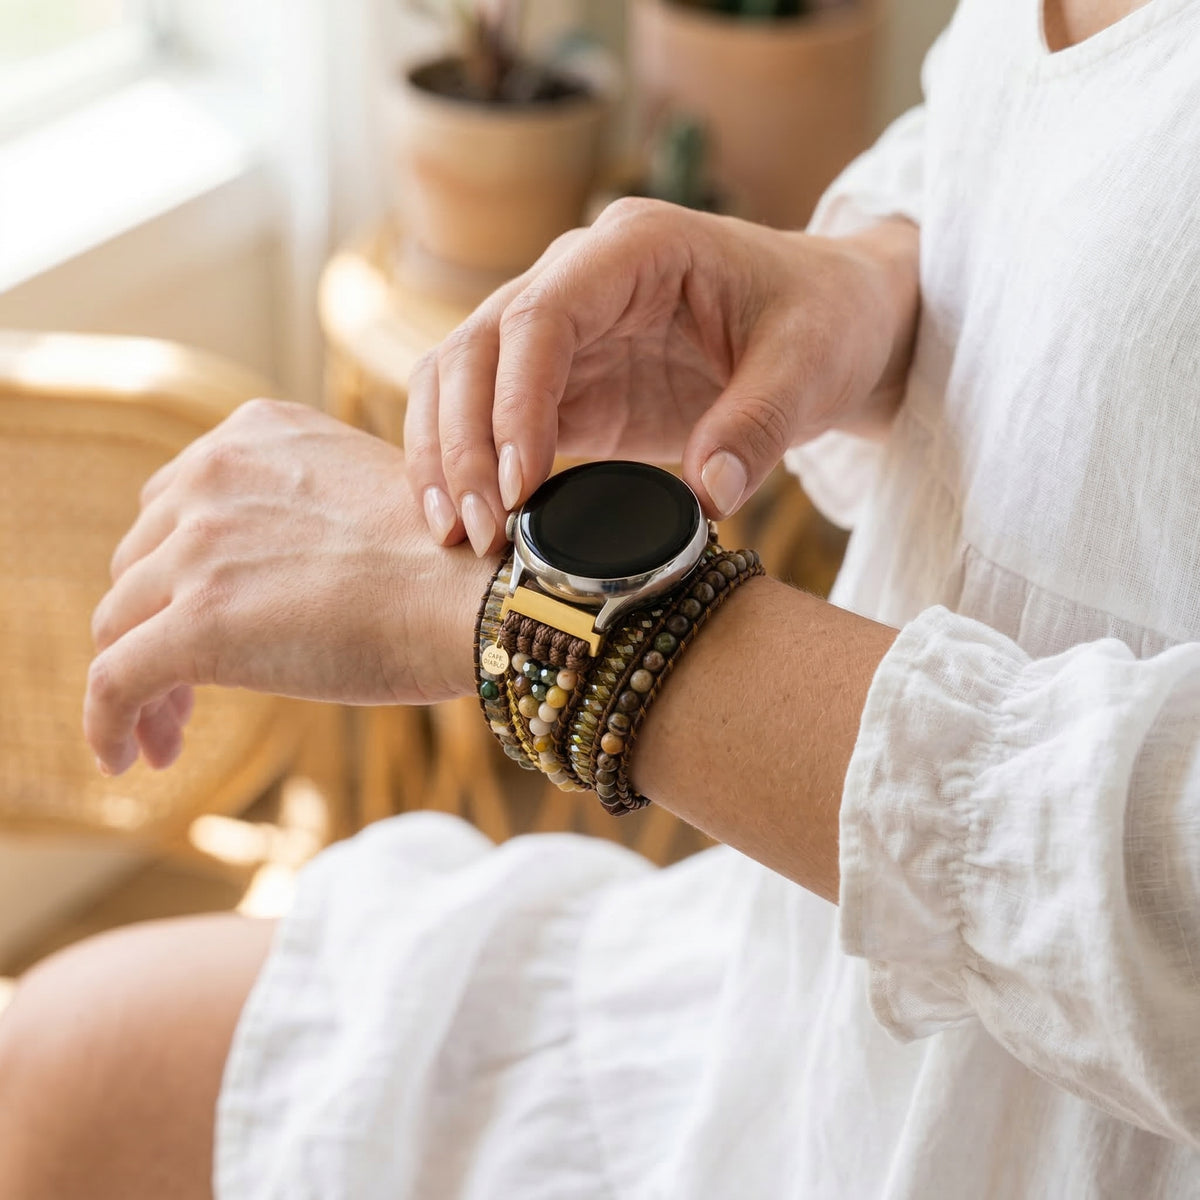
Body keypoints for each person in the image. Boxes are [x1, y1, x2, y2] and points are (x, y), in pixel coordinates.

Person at [2, 0, 1199, 1194]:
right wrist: (865, 281)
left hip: (1066, 1131)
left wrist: (504, 606)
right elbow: (1038, 164)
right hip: (792, 996)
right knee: (64, 1062)